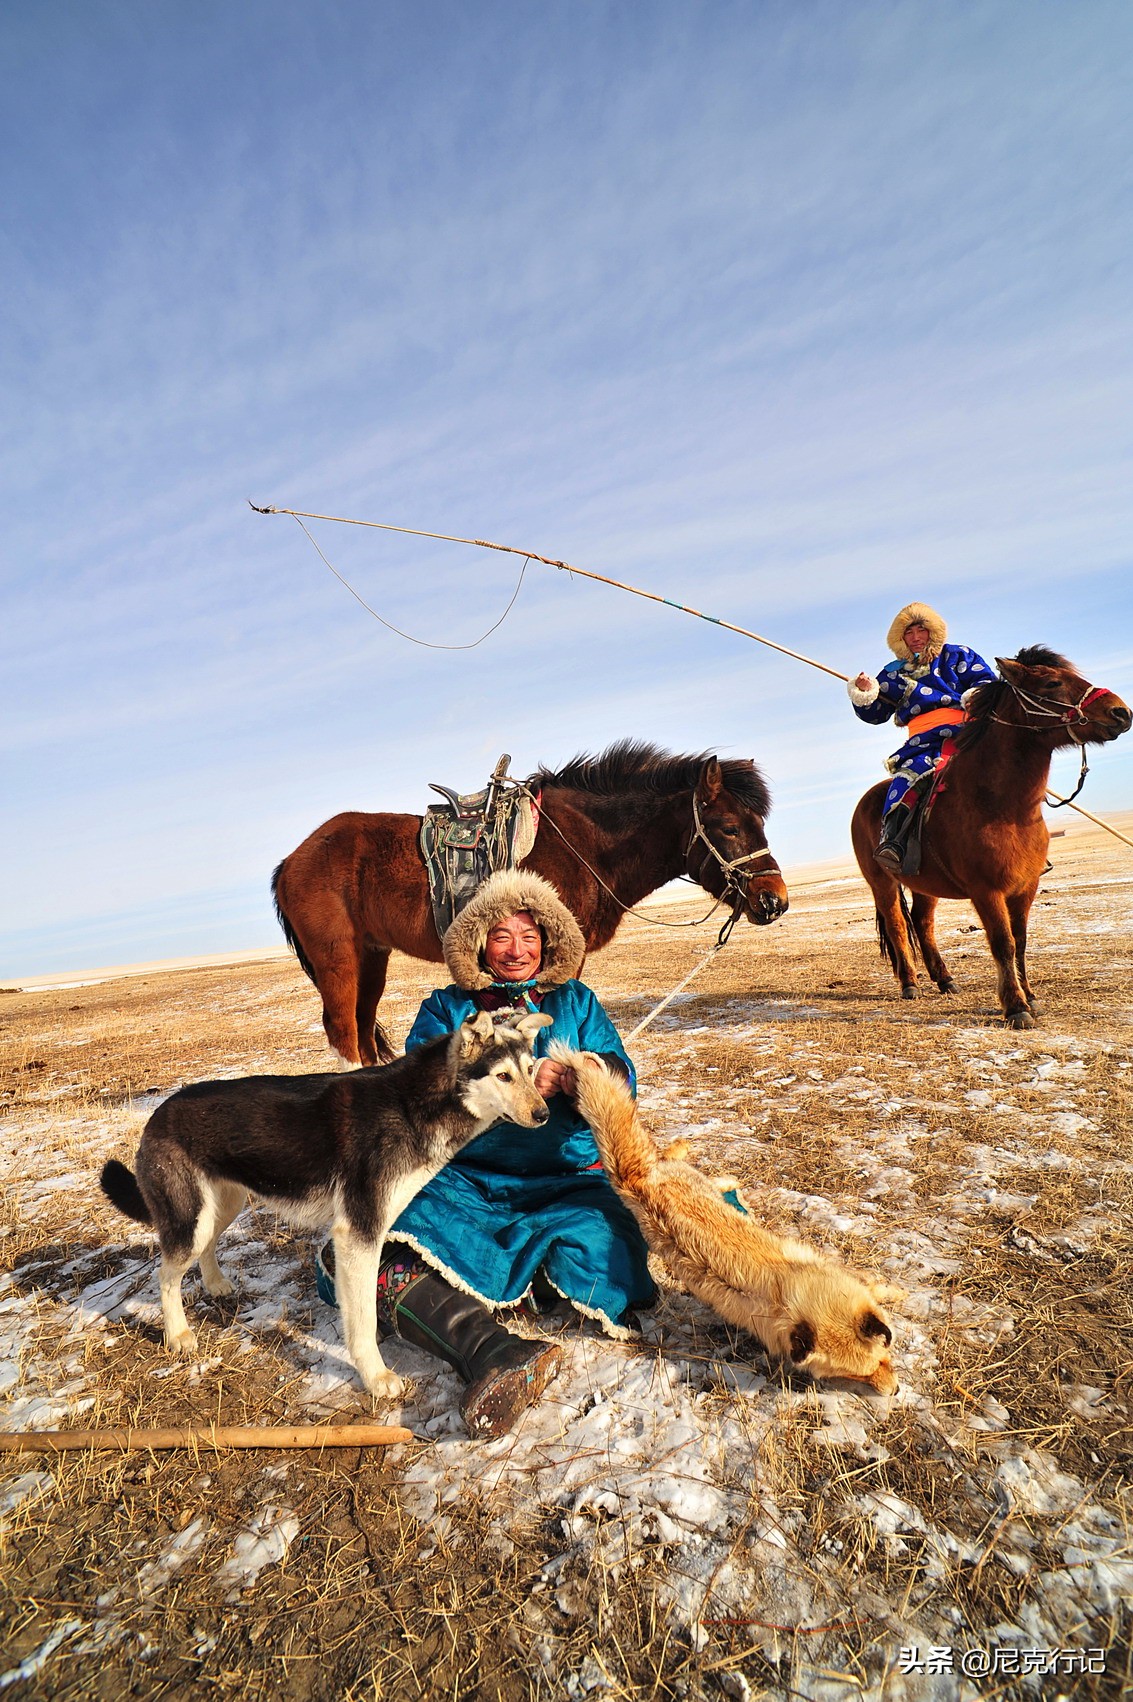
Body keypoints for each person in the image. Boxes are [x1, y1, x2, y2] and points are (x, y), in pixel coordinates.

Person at [315, 869, 655, 1439]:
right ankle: (487, 1346)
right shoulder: (449, 1009)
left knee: (614, 1248)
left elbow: (626, 1076)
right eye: (502, 936)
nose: (517, 950)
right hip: (461, 1181)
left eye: (530, 935)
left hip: (565, 1178)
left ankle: (511, 1281)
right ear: (479, 944)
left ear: (548, 941)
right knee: (359, 1247)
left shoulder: (576, 1001)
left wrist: (582, 1071)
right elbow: (416, 1092)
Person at [848, 601, 997, 870]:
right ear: (900, 638)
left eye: (921, 630)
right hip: (923, 743)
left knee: (1006, 771)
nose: (916, 637)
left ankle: (1026, 841)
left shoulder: (959, 656)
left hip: (970, 733)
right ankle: (893, 841)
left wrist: (978, 697)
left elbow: (986, 683)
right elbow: (876, 714)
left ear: (933, 631)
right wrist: (865, 692)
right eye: (909, 633)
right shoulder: (893, 673)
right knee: (908, 778)